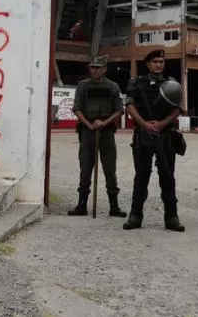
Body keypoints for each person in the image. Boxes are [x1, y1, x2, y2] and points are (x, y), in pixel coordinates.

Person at [122, 49, 185, 232]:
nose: (159, 64)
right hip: (143, 136)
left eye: (161, 61)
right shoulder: (137, 83)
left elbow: (177, 109)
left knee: (167, 177)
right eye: (155, 61)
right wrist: (144, 125)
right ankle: (135, 215)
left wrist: (161, 124)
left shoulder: (171, 84)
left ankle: (172, 217)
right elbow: (130, 106)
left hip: (165, 136)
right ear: (148, 64)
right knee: (141, 177)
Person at [68, 55, 127, 217]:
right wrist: (89, 124)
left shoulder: (113, 86)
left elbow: (119, 109)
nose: (94, 70)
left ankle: (114, 206)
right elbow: (77, 108)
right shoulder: (82, 86)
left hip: (106, 132)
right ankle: (81, 205)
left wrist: (104, 122)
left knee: (110, 169)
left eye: (97, 67)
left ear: (104, 69)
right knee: (85, 168)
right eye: (92, 67)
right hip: (87, 132)